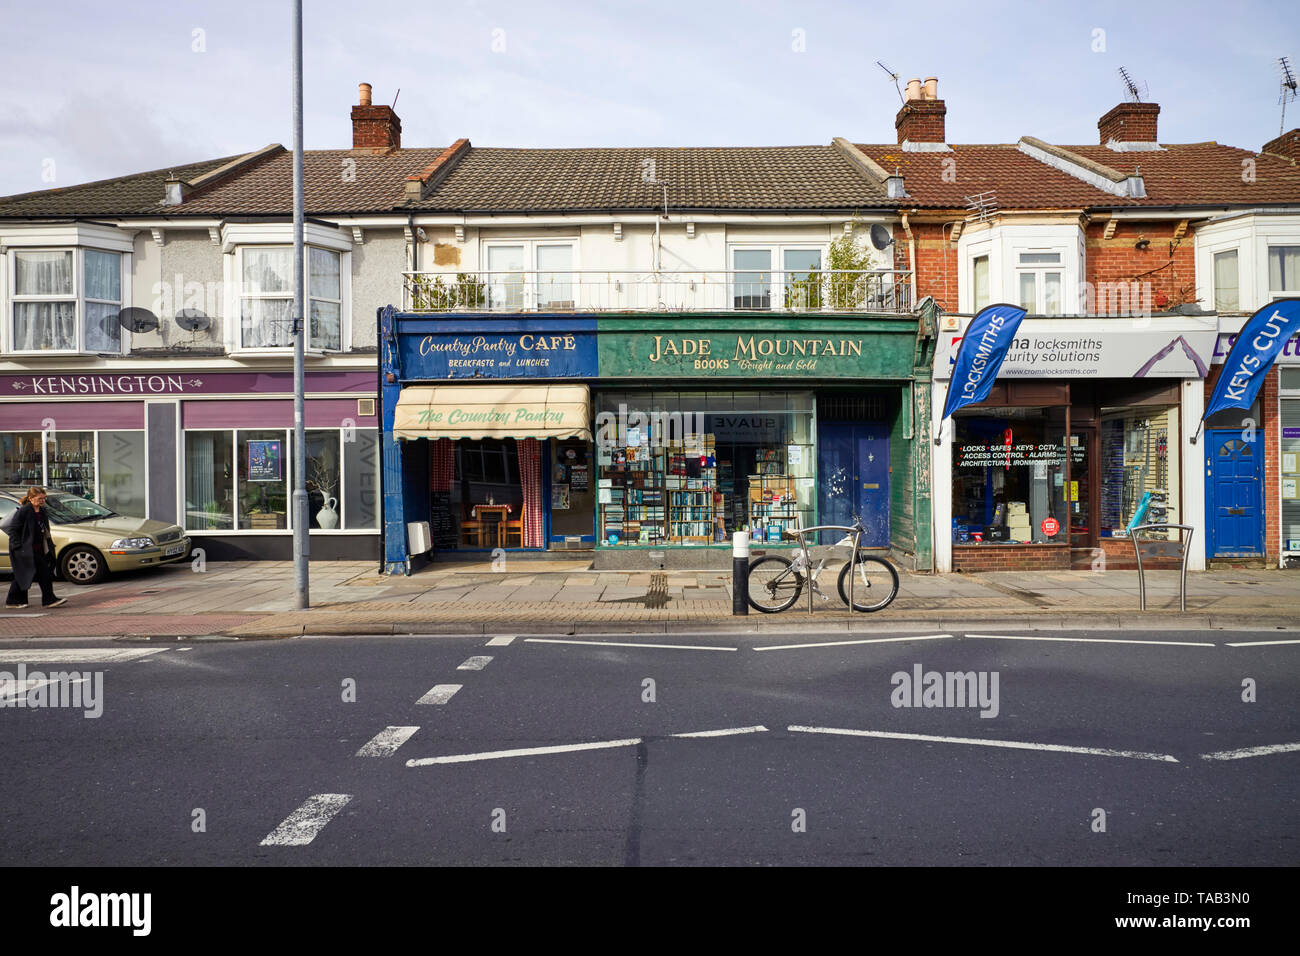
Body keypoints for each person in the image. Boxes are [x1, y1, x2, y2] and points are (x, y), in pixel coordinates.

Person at [4, 486, 67, 609]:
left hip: (38, 549)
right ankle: (48, 600)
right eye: (39, 499)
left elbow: (44, 529)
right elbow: (13, 530)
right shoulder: (24, 511)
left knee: (26, 574)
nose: (42, 501)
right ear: (31, 498)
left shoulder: (42, 511)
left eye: (44, 498)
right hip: (25, 550)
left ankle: (14, 600)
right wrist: (18, 547)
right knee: (40, 573)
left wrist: (49, 544)